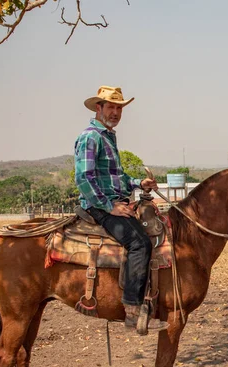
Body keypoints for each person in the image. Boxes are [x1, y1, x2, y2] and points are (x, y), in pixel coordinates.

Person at [74, 85, 168, 335]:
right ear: (99, 108)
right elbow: (84, 178)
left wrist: (138, 183)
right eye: (111, 107)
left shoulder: (107, 136)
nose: (115, 112)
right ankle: (132, 310)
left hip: (114, 202)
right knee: (140, 244)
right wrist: (109, 206)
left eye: (119, 108)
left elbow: (116, 177)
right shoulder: (90, 137)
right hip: (100, 207)